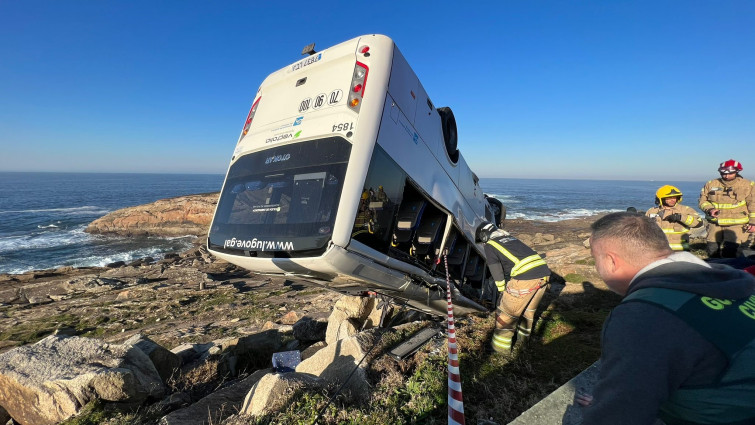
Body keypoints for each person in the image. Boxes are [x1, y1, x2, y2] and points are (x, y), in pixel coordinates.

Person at [578, 212, 755, 424]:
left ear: (611, 261)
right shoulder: (731, 279)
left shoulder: (643, 315)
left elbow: (619, 417)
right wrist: (611, 398)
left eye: (596, 259)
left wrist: (612, 405)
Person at [478, 221, 551, 353]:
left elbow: (496, 271)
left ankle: (499, 351)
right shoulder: (511, 238)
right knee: (527, 312)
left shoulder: (490, 245)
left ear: (484, 236)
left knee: (506, 314)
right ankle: (522, 343)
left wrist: (502, 291)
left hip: (525, 278)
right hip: (544, 275)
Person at [698, 159, 755, 258]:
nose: (726, 176)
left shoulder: (748, 185)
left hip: (737, 224)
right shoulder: (711, 184)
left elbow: (753, 204)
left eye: (730, 173)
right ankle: (714, 270)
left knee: (731, 251)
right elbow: (702, 201)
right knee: (712, 249)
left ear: (737, 171)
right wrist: (710, 209)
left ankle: (731, 271)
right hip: (715, 223)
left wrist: (753, 222)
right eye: (723, 173)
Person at [645, 185, 703, 251]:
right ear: (661, 199)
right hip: (659, 250)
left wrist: (681, 217)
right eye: (669, 198)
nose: (673, 200)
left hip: (680, 251)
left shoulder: (685, 210)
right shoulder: (652, 211)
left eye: (675, 197)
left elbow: (699, 223)